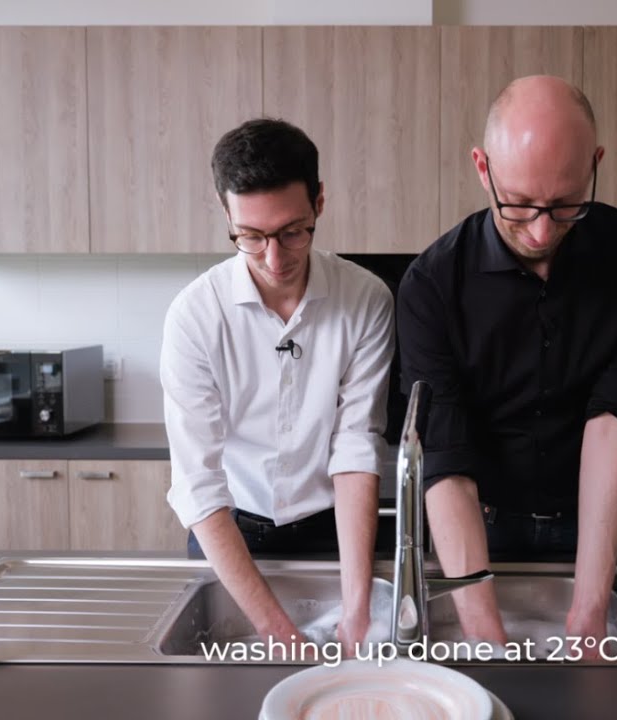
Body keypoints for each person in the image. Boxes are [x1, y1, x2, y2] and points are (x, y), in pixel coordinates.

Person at [396, 76, 617, 650]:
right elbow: (446, 458)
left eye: (567, 204)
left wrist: (590, 607)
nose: (543, 230)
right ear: (483, 168)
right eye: (518, 204)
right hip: (478, 529)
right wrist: (485, 634)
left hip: (589, 529)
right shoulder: (431, 285)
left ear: (595, 163)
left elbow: (614, 417)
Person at [161, 118, 394, 651]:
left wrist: (357, 606)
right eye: (250, 236)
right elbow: (197, 481)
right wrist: (275, 628)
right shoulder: (196, 316)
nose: (274, 258)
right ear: (227, 214)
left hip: (330, 534)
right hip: (229, 534)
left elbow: (356, 444)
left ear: (319, 202)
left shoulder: (365, 300)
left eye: (293, 231)